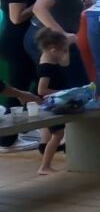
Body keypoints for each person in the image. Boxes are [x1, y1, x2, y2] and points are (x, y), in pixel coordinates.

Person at [25, 0, 92, 88]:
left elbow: (60, 7)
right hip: (51, 39)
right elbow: (39, 8)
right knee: (74, 87)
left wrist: (83, 4)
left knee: (67, 85)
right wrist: (63, 35)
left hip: (49, 37)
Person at [1, 0, 42, 109]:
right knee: (19, 88)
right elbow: (16, 17)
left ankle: (20, 127)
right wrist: (40, 4)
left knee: (25, 85)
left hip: (20, 42)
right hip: (15, 44)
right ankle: (9, 133)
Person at [34, 27, 71, 175]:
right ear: (53, 50)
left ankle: (46, 165)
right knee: (58, 135)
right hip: (50, 106)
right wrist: (63, 93)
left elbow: (65, 63)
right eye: (64, 50)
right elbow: (41, 90)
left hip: (55, 104)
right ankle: (44, 166)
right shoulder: (46, 67)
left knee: (58, 134)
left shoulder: (50, 60)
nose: (65, 54)